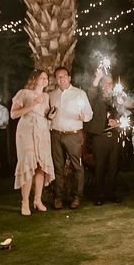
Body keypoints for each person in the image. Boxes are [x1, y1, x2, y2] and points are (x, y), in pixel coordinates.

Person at [48, 66, 92, 209]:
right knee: (58, 167)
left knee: (77, 166)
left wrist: (83, 117)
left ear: (69, 77)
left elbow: (89, 114)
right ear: (56, 79)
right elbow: (48, 114)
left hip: (73, 134)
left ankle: (77, 197)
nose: (61, 79)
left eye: (64, 76)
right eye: (58, 77)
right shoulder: (52, 95)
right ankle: (58, 197)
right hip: (56, 134)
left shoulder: (79, 94)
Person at [11, 69, 54, 216]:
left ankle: (37, 200)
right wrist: (33, 104)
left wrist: (51, 116)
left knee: (40, 166)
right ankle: (24, 202)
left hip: (42, 131)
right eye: (42, 77)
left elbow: (45, 114)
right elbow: (14, 114)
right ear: (34, 79)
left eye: (46, 78)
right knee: (28, 164)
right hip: (26, 130)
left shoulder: (47, 96)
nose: (45, 80)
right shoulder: (23, 93)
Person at [86, 68, 122, 205]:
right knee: (100, 166)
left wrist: (117, 122)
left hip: (114, 135)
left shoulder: (116, 98)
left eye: (110, 83)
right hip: (99, 136)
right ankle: (98, 195)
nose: (108, 85)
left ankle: (110, 193)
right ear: (101, 84)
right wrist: (97, 78)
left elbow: (123, 113)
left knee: (113, 166)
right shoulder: (95, 96)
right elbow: (91, 92)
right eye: (105, 83)